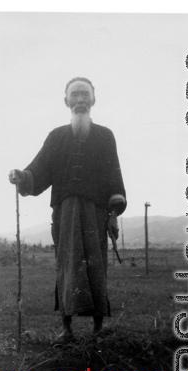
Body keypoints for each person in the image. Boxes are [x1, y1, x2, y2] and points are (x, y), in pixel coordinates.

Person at [8, 77, 127, 347]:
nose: (80, 99)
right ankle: (67, 329)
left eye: (85, 94)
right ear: (66, 101)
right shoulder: (56, 136)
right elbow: (39, 170)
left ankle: (98, 329)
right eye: (74, 95)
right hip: (64, 214)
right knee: (66, 266)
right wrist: (22, 176)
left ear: (93, 99)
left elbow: (114, 177)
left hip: (96, 214)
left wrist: (113, 214)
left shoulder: (105, 136)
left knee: (96, 267)